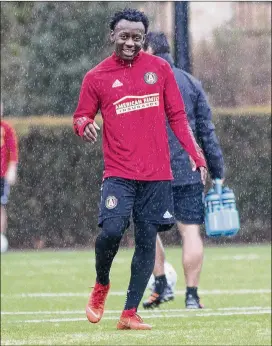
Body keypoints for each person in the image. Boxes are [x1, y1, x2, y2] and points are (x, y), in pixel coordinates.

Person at [73, 8, 207, 330]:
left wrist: (196, 156)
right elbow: (81, 116)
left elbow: (178, 117)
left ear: (144, 39)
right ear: (112, 36)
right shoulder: (96, 77)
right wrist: (84, 125)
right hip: (119, 173)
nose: (130, 42)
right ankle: (101, 283)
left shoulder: (160, 70)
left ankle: (129, 312)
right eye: (124, 36)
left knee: (147, 241)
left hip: (157, 175)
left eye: (136, 37)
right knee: (111, 232)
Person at [142, 32, 225, 310]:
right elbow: (206, 132)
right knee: (190, 232)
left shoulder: (143, 82)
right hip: (188, 169)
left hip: (151, 170)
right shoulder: (191, 83)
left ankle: (162, 283)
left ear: (150, 50)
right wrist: (217, 170)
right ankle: (192, 296)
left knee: (147, 229)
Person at [1, 101, 18, 236]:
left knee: (1, 206)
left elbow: (13, 151)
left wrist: (12, 169)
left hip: (1, 175)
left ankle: (1, 236)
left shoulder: (6, 129)